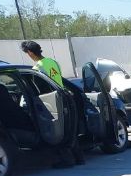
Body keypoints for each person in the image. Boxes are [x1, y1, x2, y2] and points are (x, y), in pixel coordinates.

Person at [19, 40, 84, 168]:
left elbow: (38, 88)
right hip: (64, 97)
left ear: (30, 53)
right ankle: (79, 158)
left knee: (57, 131)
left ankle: (67, 160)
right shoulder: (52, 62)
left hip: (51, 101)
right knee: (69, 129)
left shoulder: (37, 68)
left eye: (27, 53)